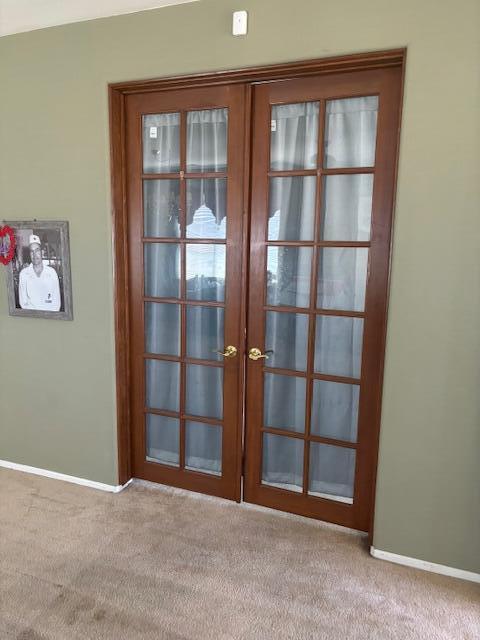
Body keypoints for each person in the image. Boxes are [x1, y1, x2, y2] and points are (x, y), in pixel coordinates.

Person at [18, 234, 61, 311]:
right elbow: (23, 303)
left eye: (37, 250)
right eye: (32, 251)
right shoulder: (23, 274)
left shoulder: (52, 273)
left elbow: (56, 303)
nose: (34, 255)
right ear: (29, 254)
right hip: (31, 318)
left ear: (42, 252)